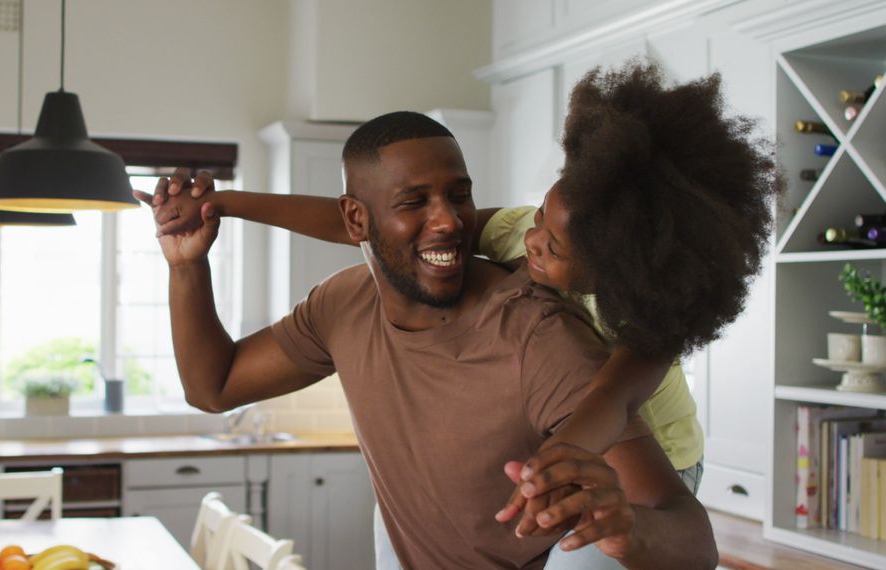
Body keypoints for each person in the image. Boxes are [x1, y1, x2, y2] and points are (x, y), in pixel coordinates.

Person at [152, 61, 780, 542]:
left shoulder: (632, 320)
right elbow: (360, 221)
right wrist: (227, 205)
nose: (529, 239)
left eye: (553, 243)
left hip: (656, 465)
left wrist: (565, 455)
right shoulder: (510, 234)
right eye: (538, 220)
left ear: (615, 267)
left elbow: (610, 401)